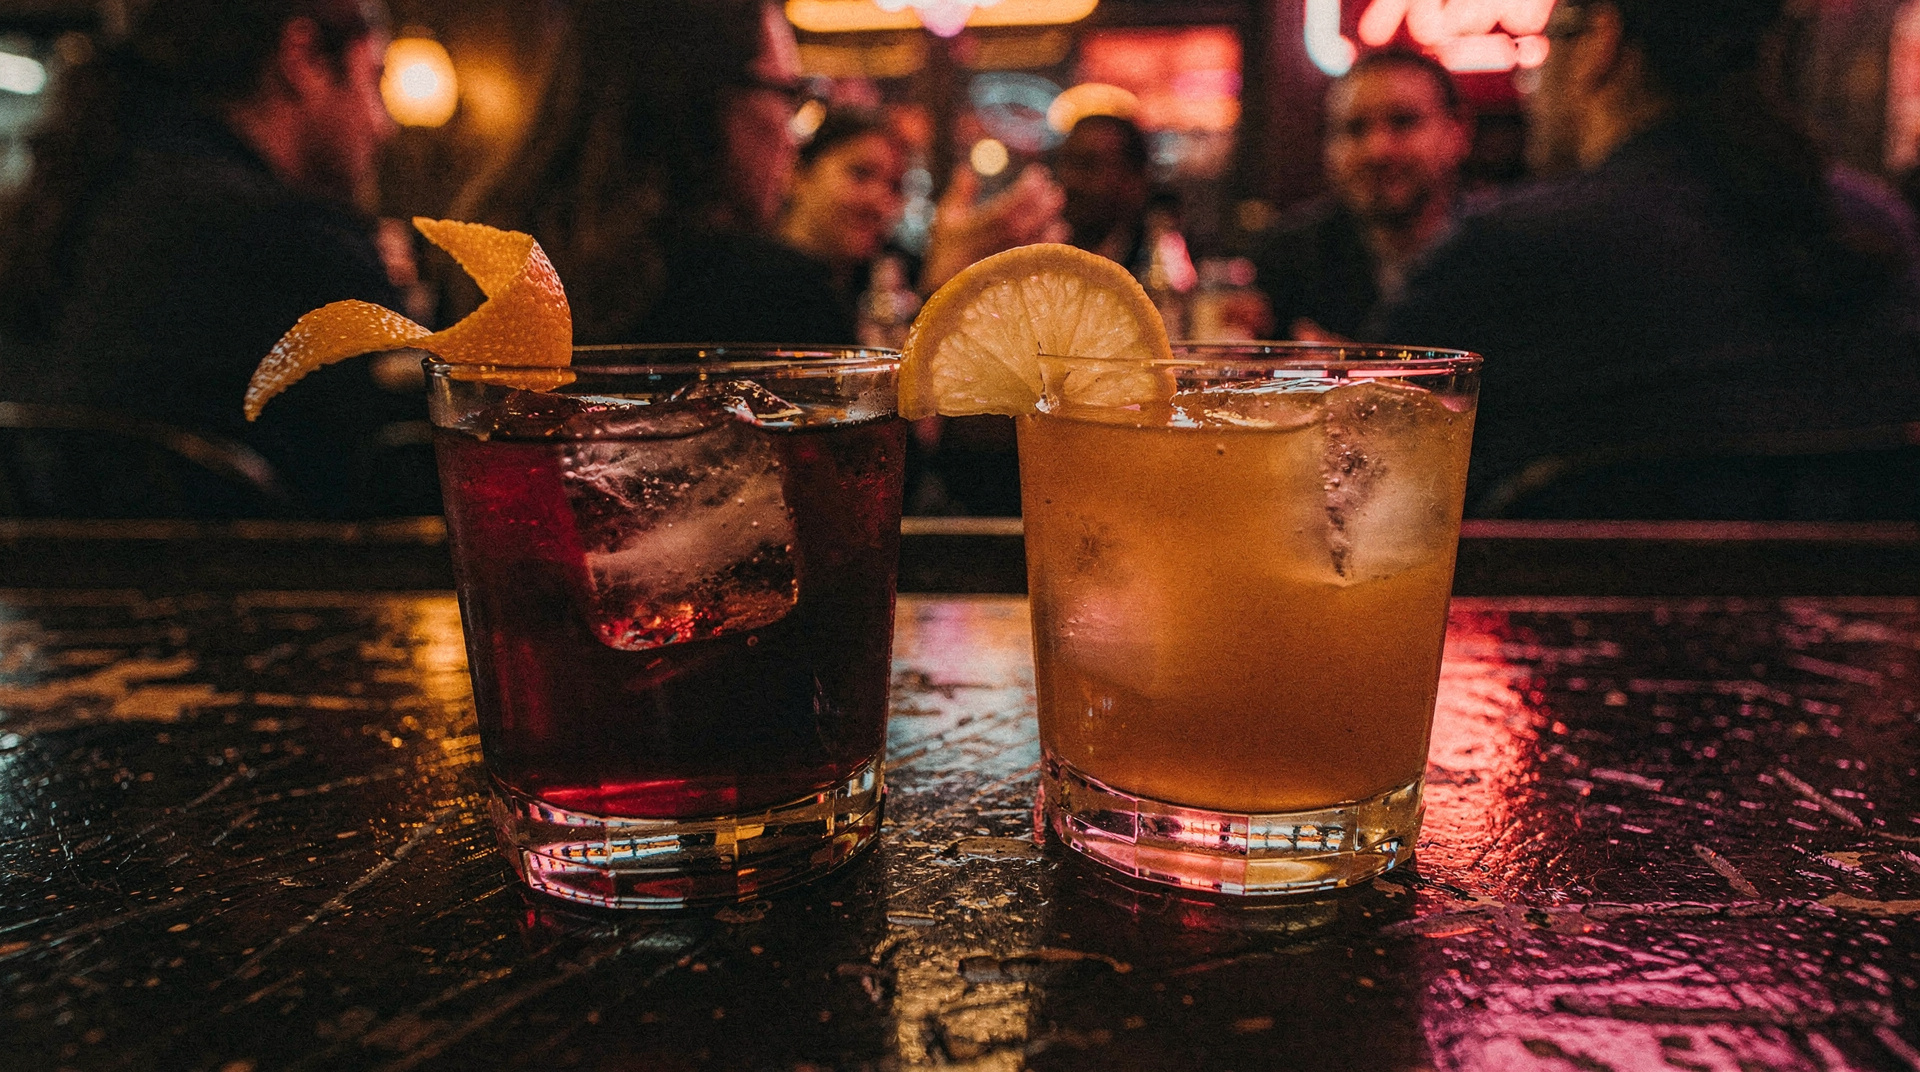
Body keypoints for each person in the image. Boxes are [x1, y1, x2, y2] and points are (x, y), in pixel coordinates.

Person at [1376, 0, 1920, 519]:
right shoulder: (1881, 227)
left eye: (1546, 42)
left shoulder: (1504, 251)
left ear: (1602, 41)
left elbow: (1365, 462)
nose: (1530, 81)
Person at [0, 0, 423, 518]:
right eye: (374, 78)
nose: (385, 126)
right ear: (303, 58)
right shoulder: (299, 244)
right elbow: (405, 489)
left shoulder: (72, 201)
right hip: (234, 589)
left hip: (49, 588)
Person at [455, 0, 851, 346]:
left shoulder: (482, 263)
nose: (793, 137)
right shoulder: (781, 296)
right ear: (704, 97)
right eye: (788, 95)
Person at [1253, 50, 1471, 342]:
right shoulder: (1287, 257)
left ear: (1457, 133)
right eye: (1355, 129)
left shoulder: (1510, 261)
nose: (1377, 150)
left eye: (1402, 121)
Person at [1054, 114, 1154, 271]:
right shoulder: (1044, 257)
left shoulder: (1162, 261)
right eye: (1066, 162)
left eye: (1087, 165)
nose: (1069, 179)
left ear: (1133, 179)